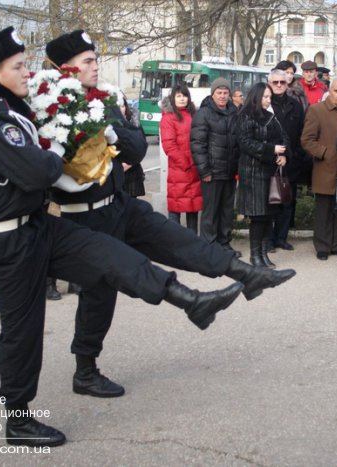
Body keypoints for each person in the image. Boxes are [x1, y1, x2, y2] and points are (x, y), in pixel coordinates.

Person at [0, 26, 291, 448]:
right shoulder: (7, 114)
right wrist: (66, 137)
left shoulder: (70, 103)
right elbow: (39, 172)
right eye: (19, 65)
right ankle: (23, 415)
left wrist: (105, 129)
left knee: (137, 254)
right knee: (29, 326)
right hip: (22, 234)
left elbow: (132, 147)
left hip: (72, 217)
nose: (27, 71)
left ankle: (210, 292)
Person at [46, 28, 295, 395]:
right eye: (88, 62)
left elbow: (133, 146)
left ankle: (246, 274)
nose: (96, 67)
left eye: (96, 59)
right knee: (100, 295)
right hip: (79, 217)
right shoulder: (48, 107)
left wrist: (110, 130)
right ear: (64, 69)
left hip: (118, 205)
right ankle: (86, 370)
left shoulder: (106, 100)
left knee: (178, 239)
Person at [236, 82, 290, 268]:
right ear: (256, 97)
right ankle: (255, 256)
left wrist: (283, 154)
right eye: (265, 97)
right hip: (252, 173)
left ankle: (263, 254)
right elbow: (245, 143)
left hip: (269, 172)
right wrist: (271, 149)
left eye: (269, 97)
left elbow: (284, 137)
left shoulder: (271, 117)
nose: (268, 100)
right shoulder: (245, 116)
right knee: (258, 216)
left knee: (267, 215)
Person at [301, 77, 337, 260]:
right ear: (330, 91)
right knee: (324, 209)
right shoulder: (317, 110)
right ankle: (322, 246)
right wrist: (325, 153)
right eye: (336, 91)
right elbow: (306, 140)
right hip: (325, 168)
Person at [190, 77, 242, 254]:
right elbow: (198, 144)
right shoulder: (203, 114)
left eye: (225, 93)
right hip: (211, 172)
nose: (222, 96)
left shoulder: (234, 112)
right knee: (210, 212)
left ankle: (224, 243)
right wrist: (204, 170)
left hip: (229, 171)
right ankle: (209, 247)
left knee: (227, 210)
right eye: (219, 93)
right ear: (212, 94)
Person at [267, 68, 305, 252]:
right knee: (270, 203)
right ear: (270, 83)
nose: (280, 85)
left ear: (287, 84)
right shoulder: (263, 104)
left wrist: (292, 156)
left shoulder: (295, 105)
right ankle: (268, 240)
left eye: (283, 82)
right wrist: (273, 154)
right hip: (269, 162)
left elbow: (300, 134)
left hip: (291, 162)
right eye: (276, 82)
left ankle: (281, 237)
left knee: (287, 202)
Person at [160, 84, 201, 233]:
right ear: (173, 98)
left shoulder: (194, 115)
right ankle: (175, 244)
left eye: (184, 95)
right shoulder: (168, 118)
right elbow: (169, 146)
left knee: (193, 207)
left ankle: (193, 242)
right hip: (179, 170)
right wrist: (186, 163)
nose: (182, 99)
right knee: (176, 208)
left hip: (195, 169)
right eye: (178, 96)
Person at [120, 95, 146, 199]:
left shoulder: (134, 124)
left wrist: (128, 164)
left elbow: (141, 146)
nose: (120, 109)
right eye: (116, 106)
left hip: (131, 174)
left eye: (122, 106)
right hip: (112, 174)